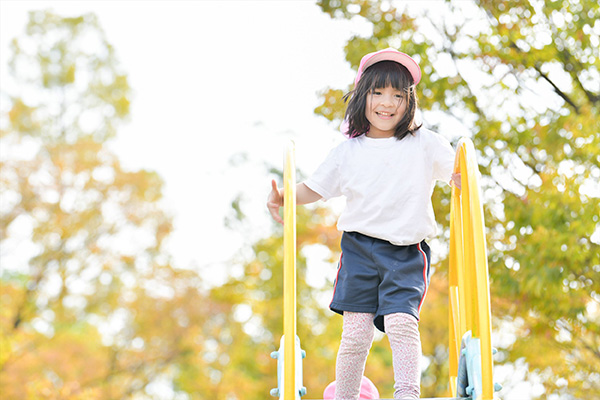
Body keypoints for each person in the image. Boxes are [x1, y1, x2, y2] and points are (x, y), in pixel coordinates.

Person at [267, 48, 461, 400]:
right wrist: (283, 195)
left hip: (406, 251)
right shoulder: (348, 152)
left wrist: (463, 179)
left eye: (398, 95)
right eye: (378, 92)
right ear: (363, 96)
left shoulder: (425, 144)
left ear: (409, 102)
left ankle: (406, 393)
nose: (387, 103)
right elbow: (315, 188)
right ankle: (346, 395)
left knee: (401, 323)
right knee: (355, 334)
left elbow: (458, 174)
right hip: (359, 249)